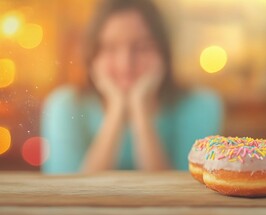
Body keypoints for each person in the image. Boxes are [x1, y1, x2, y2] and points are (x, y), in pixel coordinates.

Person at [41, 0, 223, 174]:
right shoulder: (64, 105)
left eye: (142, 47)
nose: (125, 64)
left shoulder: (200, 105)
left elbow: (185, 193)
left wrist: (140, 113)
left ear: (163, 53)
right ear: (92, 55)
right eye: (110, 48)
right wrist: (116, 111)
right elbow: (69, 192)